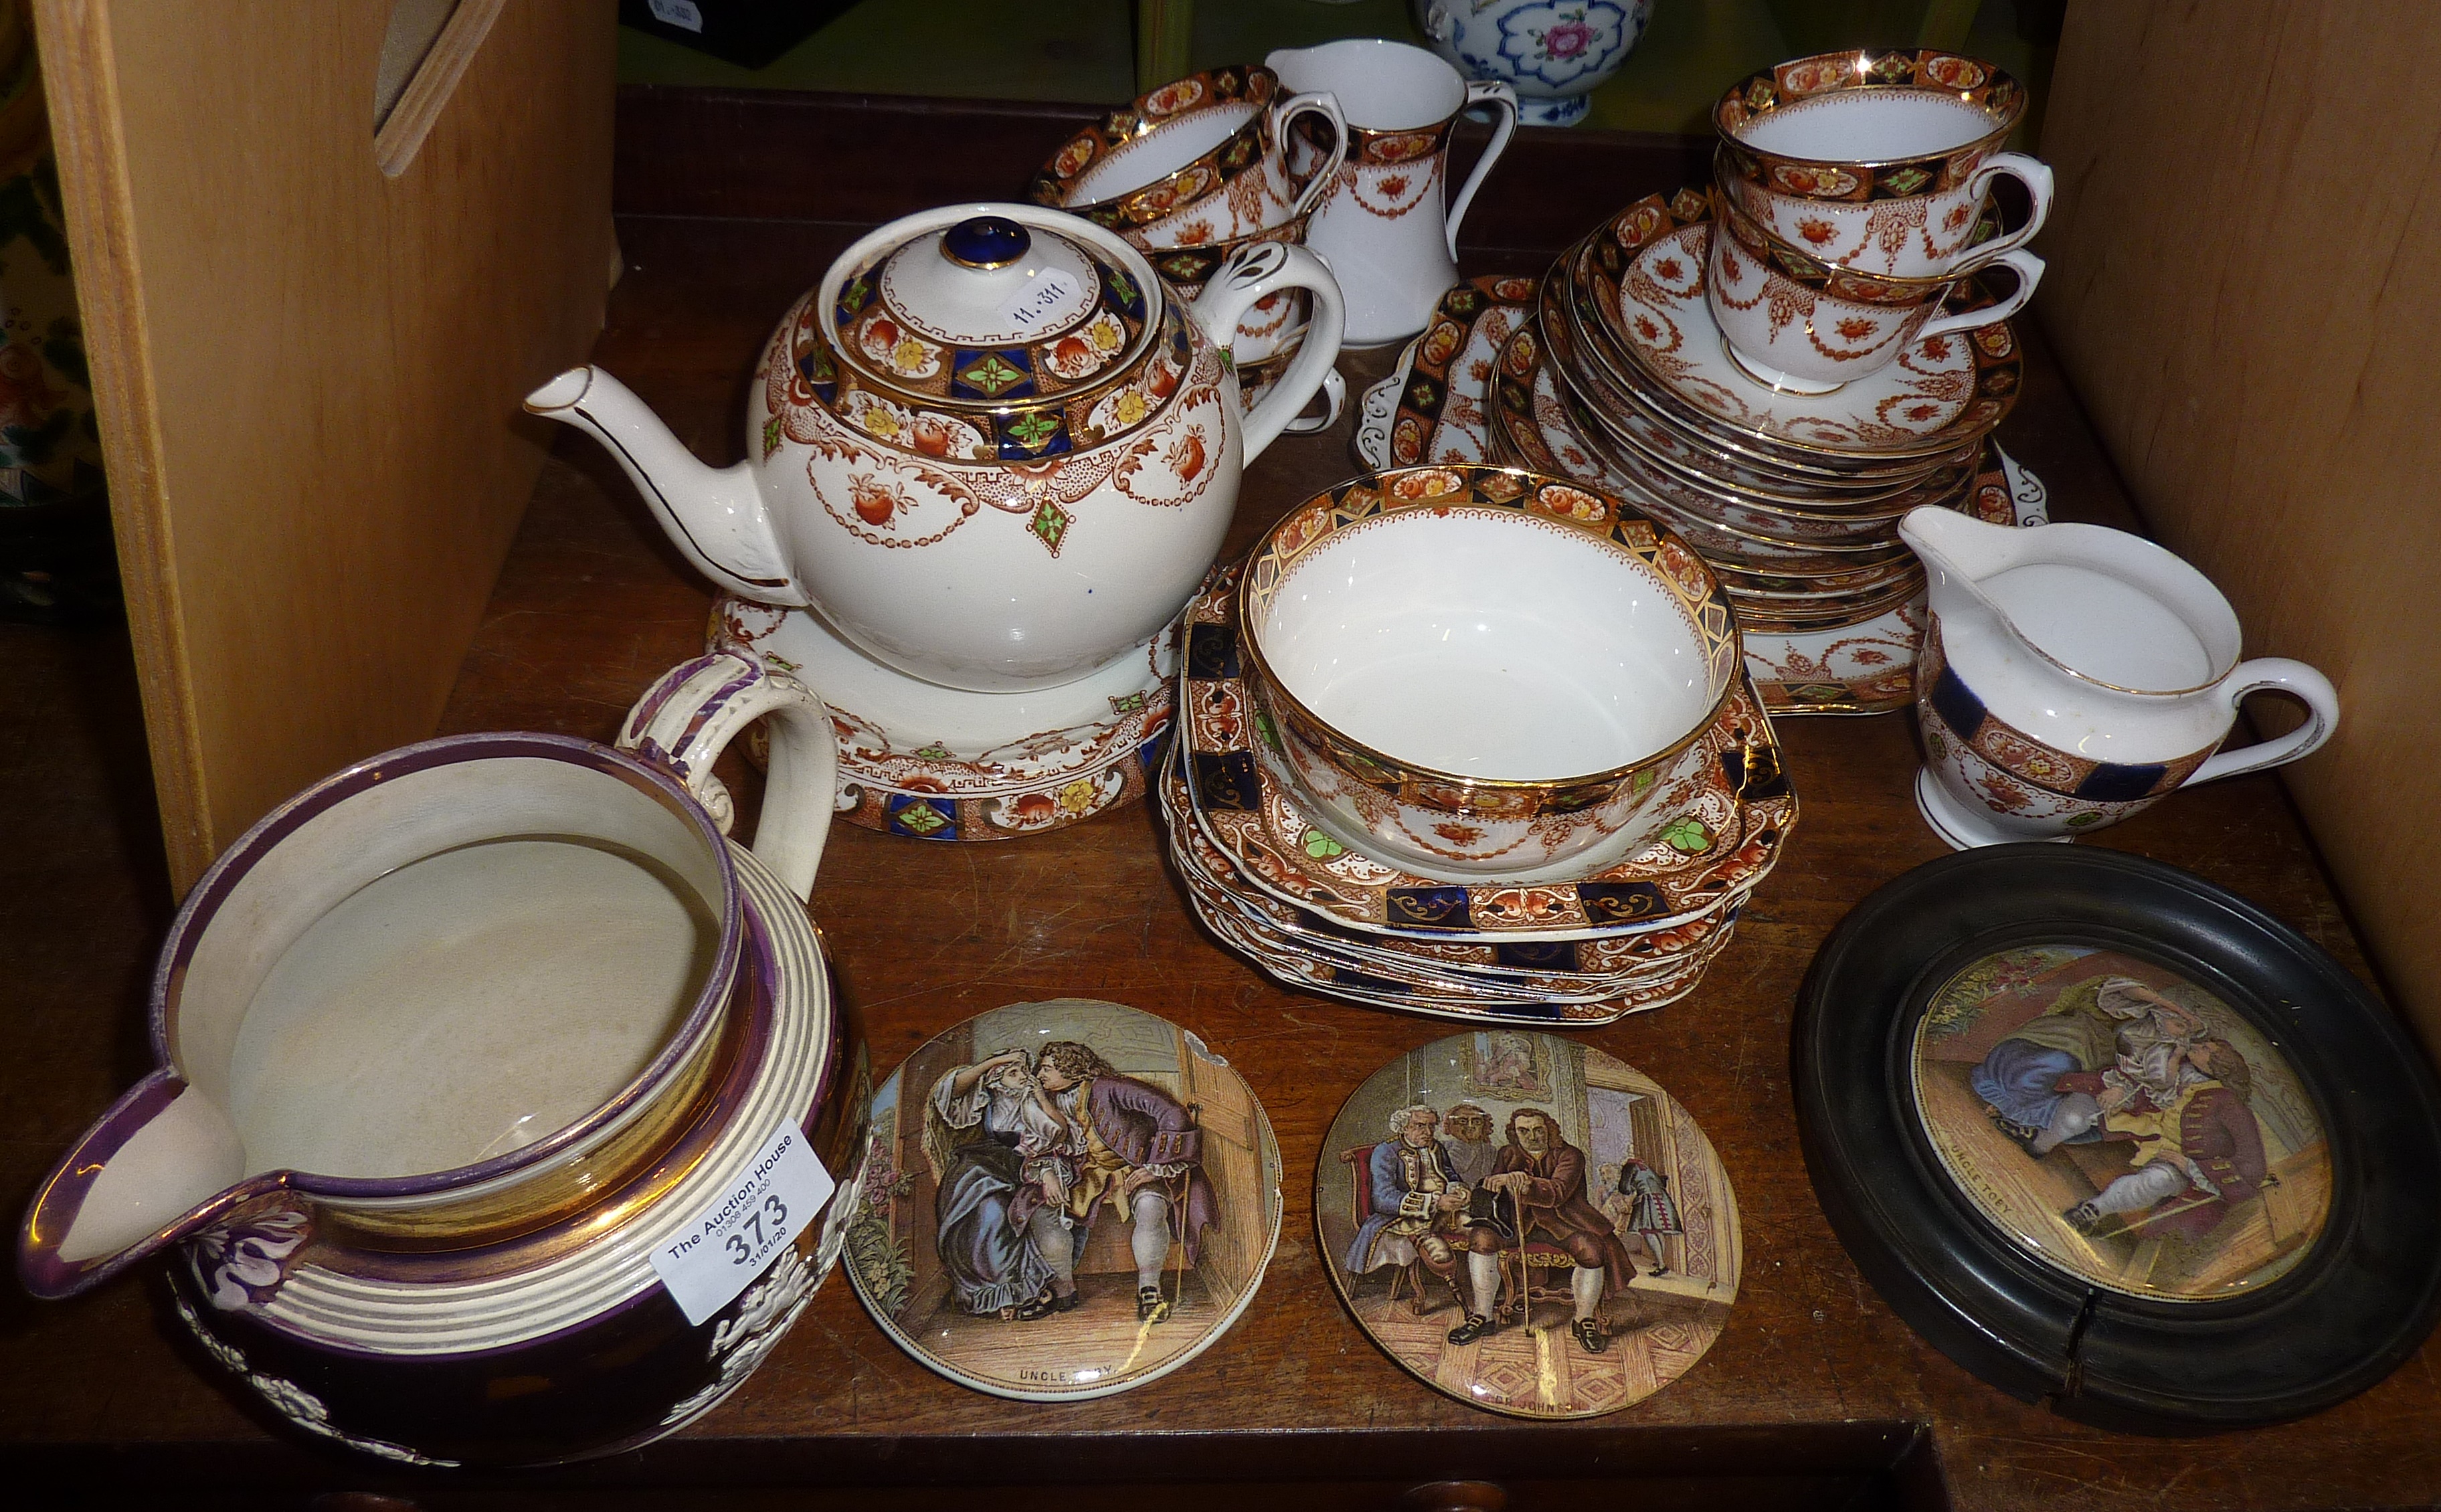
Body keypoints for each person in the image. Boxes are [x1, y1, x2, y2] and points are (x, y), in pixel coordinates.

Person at [1035, 1040, 1220, 1325]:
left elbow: (1171, 1112)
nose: (1040, 1075)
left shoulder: (1109, 1087)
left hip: (1136, 1166)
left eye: (1047, 1068)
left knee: (1149, 1207)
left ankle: (1150, 1290)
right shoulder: (1046, 1101)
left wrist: (1157, 1167)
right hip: (1091, 1173)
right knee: (1041, 1209)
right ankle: (1064, 1287)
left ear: (1070, 1068)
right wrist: (1048, 1173)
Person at [1449, 1109, 1639, 1353]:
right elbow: (1497, 1187)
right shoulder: (1507, 1154)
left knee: (1592, 1249)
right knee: (1481, 1238)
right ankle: (1482, 1316)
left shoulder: (1571, 1155)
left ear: (1549, 1129)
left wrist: (1526, 1182)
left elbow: (1558, 1192)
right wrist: (1494, 1185)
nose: (1532, 1136)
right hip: (1518, 1224)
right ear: (1514, 1133)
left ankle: (1584, 1321)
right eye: (1523, 1131)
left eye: (1538, 1130)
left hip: (1563, 1222)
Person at [1971, 976, 2219, 1157]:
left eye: (2184, 1027)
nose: (2178, 1023)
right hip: (2076, 1034)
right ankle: (2010, 1101)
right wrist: (2170, 1007)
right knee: (2046, 1060)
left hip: (2101, 1067)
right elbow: (2121, 989)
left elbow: (2154, 1081)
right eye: (2178, 1019)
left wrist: (2171, 1057)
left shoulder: (2162, 1050)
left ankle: (2026, 1125)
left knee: (2073, 1096)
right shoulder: (2145, 1009)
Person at [2058, 1026, 2268, 1239]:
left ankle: (2093, 1210)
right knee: (2087, 1112)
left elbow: (2252, 1169)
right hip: (2146, 1126)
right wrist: (2122, 1089)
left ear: (2220, 1066)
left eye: (2205, 1048)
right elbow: (2145, 1082)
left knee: (2156, 1181)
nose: (2195, 1046)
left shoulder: (2231, 1105)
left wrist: (2191, 1167)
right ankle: (2038, 1141)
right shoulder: (2180, 1067)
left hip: (2177, 1159)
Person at [923, 1049, 1085, 1321]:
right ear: (996, 1081)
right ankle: (991, 1290)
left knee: (999, 1212)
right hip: (983, 1167)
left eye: (1024, 1071)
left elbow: (1059, 1134)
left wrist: (1042, 1099)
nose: (1023, 1077)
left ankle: (1016, 1292)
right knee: (979, 1205)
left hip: (1022, 1170)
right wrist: (995, 1062)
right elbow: (949, 1091)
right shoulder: (986, 1100)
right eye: (1013, 1073)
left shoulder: (1029, 1103)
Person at [1344, 1105, 1481, 1319]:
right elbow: (1382, 1199)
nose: (1427, 1132)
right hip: (1404, 1218)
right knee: (1442, 1258)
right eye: (1420, 1126)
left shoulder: (1436, 1148)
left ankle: (1484, 1299)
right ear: (1404, 1127)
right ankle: (1465, 1309)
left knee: (1480, 1232)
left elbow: (1451, 1177)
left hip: (1444, 1213)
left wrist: (1459, 1192)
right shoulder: (1386, 1151)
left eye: (1431, 1126)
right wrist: (1434, 1203)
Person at [1614, 1157, 1681, 1277]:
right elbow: (1661, 1183)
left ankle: (1661, 1265)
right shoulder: (1646, 1167)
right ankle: (1660, 1260)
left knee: (1648, 1231)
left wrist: (1632, 1189)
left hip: (1647, 1199)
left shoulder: (1629, 1167)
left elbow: (1625, 1188)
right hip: (1662, 1199)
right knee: (1658, 1230)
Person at [1442, 1102, 1500, 1189]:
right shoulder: (1442, 1147)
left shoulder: (1491, 1151)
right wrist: (1462, 1143)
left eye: (1476, 1122)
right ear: (1450, 1125)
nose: (1470, 1126)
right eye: (1463, 1121)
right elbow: (1455, 1169)